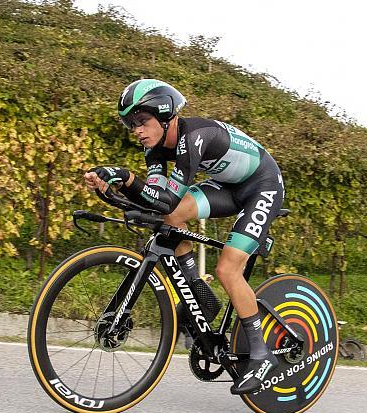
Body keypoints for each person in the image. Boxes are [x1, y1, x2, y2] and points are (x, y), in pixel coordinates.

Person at [84, 79, 285, 395]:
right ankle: (200, 298)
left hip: (263, 185)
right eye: (131, 124)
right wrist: (112, 187)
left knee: (227, 268)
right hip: (229, 187)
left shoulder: (193, 138)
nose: (137, 130)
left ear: (165, 116)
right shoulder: (155, 148)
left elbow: (164, 198)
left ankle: (261, 355)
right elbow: (155, 198)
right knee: (170, 219)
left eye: (142, 121)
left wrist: (125, 177)